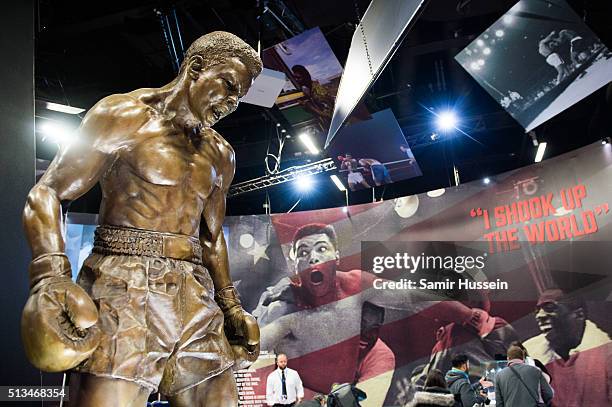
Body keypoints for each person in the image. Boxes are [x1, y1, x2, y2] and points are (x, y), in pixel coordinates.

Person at [20, 31, 263, 407]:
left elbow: (212, 239)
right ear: (196, 68)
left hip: (194, 291)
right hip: (122, 283)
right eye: (228, 84)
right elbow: (47, 192)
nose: (231, 102)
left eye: (238, 97)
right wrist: (49, 279)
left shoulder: (221, 154)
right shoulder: (123, 116)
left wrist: (230, 305)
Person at [255, 223, 495, 405]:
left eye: (321, 249)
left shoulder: (355, 284)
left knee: (381, 356)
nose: (313, 257)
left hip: (365, 357)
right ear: (295, 263)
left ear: (336, 256)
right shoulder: (284, 307)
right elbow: (256, 350)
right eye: (304, 252)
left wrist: (464, 314)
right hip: (311, 389)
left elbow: (410, 297)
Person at [523, 289, 612, 406]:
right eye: (537, 311)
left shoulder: (606, 354)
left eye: (549, 307)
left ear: (579, 315)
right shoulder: (530, 352)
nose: (539, 316)